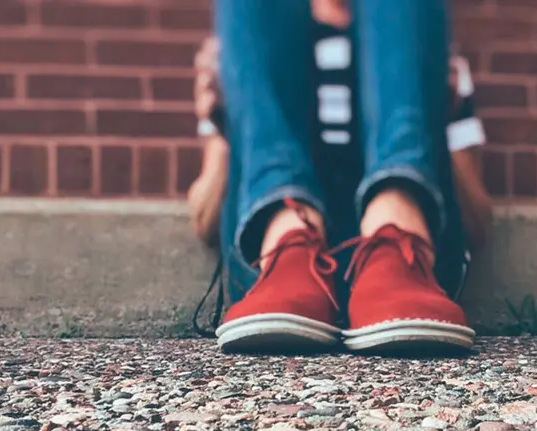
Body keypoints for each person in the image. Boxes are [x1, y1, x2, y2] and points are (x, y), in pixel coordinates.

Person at [195, 0, 492, 355]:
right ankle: (288, 239)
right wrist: (232, 128)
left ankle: (396, 229)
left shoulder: (421, 43)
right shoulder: (251, 47)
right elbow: (205, 223)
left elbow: (476, 225)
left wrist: (435, 125)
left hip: (413, 269)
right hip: (274, 273)